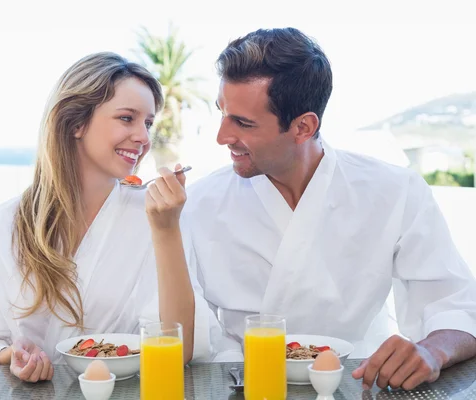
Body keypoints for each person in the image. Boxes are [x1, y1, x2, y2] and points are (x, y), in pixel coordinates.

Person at [184, 27, 476, 391]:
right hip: (239, 385)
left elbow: (455, 302)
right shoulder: (196, 203)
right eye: (222, 113)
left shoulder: (395, 191)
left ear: (303, 126)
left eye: (242, 122)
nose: (222, 136)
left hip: (357, 382)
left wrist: (433, 351)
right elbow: (183, 330)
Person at [0, 52, 220, 382]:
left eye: (148, 123)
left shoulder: (156, 217)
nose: (143, 137)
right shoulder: (1, 227)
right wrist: (14, 356)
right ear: (76, 122)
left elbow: (179, 348)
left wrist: (166, 231)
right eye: (127, 118)